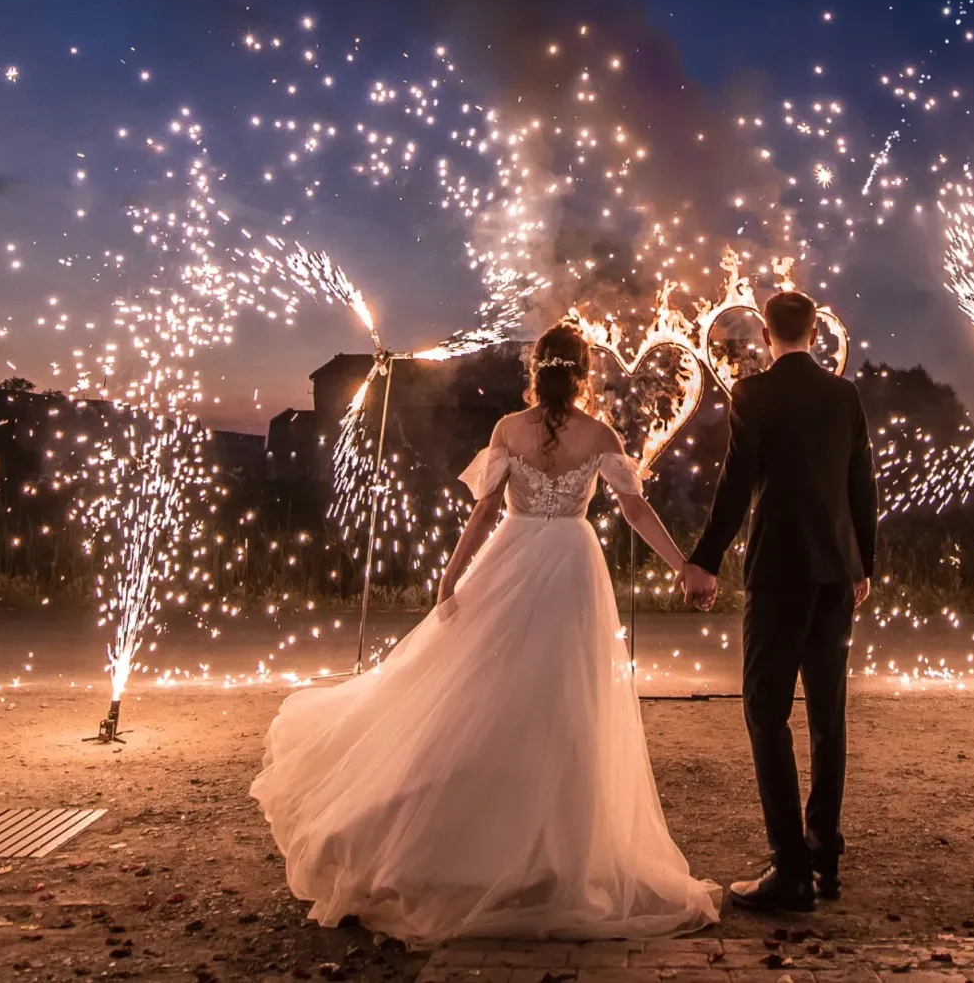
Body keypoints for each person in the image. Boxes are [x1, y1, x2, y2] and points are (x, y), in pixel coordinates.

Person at [249, 325, 720, 945]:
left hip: (512, 554)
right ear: (583, 373)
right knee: (563, 702)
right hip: (574, 566)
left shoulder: (507, 429)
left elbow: (485, 507)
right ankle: (553, 848)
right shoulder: (600, 435)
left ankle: (481, 841)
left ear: (536, 369)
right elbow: (635, 509)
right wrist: (681, 563)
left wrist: (451, 576)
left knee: (486, 687)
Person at [681, 289, 877, 914]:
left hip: (778, 573)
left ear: (767, 334)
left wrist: (704, 558)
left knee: (767, 713)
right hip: (836, 574)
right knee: (828, 715)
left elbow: (737, 484)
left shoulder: (754, 393)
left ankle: (789, 868)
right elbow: (860, 485)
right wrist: (863, 564)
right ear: (816, 333)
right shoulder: (844, 395)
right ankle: (824, 857)